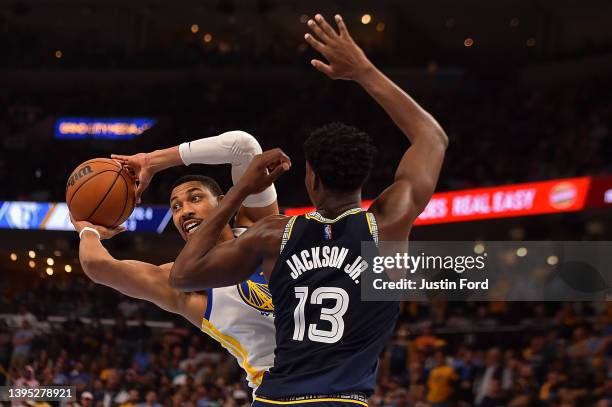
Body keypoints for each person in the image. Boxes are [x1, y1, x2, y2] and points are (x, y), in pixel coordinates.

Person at [169, 13, 447, 406]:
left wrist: (240, 190)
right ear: (364, 176)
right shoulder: (389, 222)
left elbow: (182, 276)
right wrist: (364, 71)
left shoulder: (274, 235)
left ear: (310, 178)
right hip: (343, 400)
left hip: (276, 400)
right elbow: (432, 139)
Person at [71, 131, 280, 390]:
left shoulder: (257, 227)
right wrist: (88, 230)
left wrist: (151, 161)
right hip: (279, 390)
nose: (185, 211)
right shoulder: (184, 284)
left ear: (223, 202)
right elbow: (97, 266)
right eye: (176, 207)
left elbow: (243, 145)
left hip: (338, 376)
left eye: (195, 198)